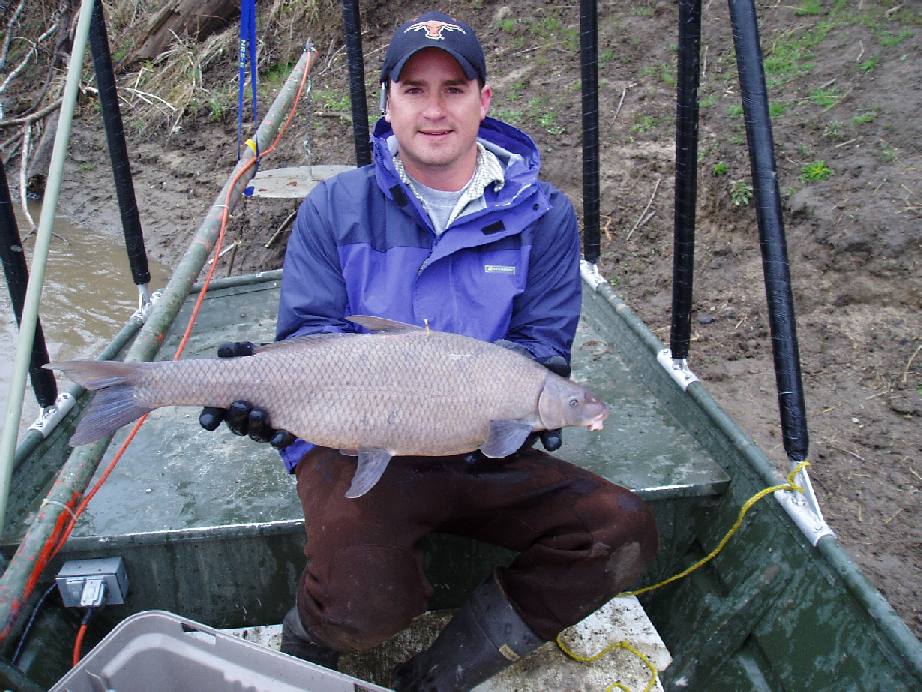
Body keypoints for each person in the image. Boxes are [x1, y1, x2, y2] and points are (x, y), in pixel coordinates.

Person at [200, 11, 658, 690]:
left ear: (485, 101)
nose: (435, 109)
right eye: (414, 89)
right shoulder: (334, 206)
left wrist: (512, 405)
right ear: (388, 103)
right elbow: (308, 337)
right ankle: (308, 644)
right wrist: (268, 390)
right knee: (361, 602)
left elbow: (542, 347)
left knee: (622, 531)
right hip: (354, 444)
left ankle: (436, 679)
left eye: (454, 89)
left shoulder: (547, 216)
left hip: (484, 441)